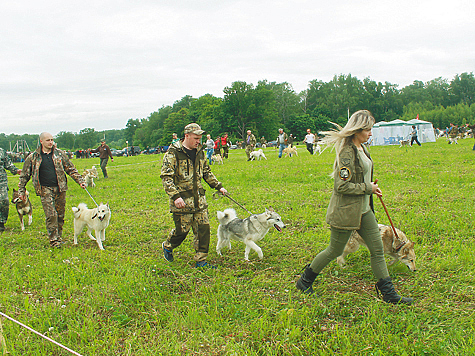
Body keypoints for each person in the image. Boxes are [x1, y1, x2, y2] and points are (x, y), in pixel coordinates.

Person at [295, 110, 413, 305]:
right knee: (334, 250)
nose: (370, 133)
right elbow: (341, 186)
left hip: (364, 211)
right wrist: (368, 187)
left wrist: (372, 190)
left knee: (377, 250)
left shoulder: (362, 148)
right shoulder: (348, 152)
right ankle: (304, 281)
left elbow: (362, 177)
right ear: (357, 130)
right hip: (346, 212)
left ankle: (389, 294)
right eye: (368, 129)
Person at [160, 123, 227, 268]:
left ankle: (201, 260)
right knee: (181, 231)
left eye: (200, 138)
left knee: (203, 229)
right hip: (182, 201)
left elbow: (206, 172)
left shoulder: (200, 152)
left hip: (199, 200)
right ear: (186, 136)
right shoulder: (173, 153)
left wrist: (218, 186)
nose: (198, 141)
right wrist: (175, 196)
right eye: (196, 138)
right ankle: (168, 245)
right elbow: (166, 178)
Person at [18, 132, 86, 248]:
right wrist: (21, 191)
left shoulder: (60, 154)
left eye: (52, 140)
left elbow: (70, 169)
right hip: (44, 189)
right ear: (41, 141)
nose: (51, 142)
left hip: (60, 188)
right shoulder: (33, 157)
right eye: (48, 140)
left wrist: (80, 181)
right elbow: (24, 175)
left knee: (60, 215)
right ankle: (53, 240)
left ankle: (58, 237)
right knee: (51, 215)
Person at [0, 148, 21, 234]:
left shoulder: (1, 151)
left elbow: (8, 164)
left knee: (4, 200)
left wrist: (16, 170)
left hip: (1, 181)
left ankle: (1, 222)